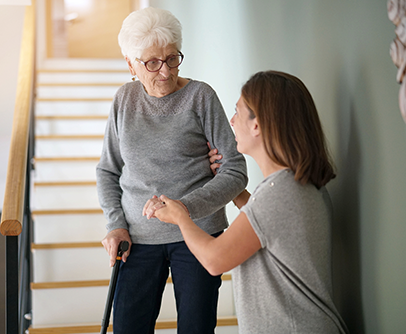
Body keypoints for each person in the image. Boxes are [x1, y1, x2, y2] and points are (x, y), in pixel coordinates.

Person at [145, 71, 349, 333]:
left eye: (237, 112)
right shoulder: (297, 185)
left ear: (257, 125)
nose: (231, 121)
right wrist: (235, 192)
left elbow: (214, 259)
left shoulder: (279, 193)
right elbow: (267, 227)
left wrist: (180, 217)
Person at [95, 6, 248, 334]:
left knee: (196, 328)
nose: (164, 72)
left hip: (198, 233)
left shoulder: (200, 97)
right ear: (130, 64)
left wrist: (183, 210)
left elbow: (235, 170)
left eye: (172, 59)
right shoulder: (124, 100)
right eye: (152, 62)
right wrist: (115, 225)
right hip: (136, 238)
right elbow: (108, 171)